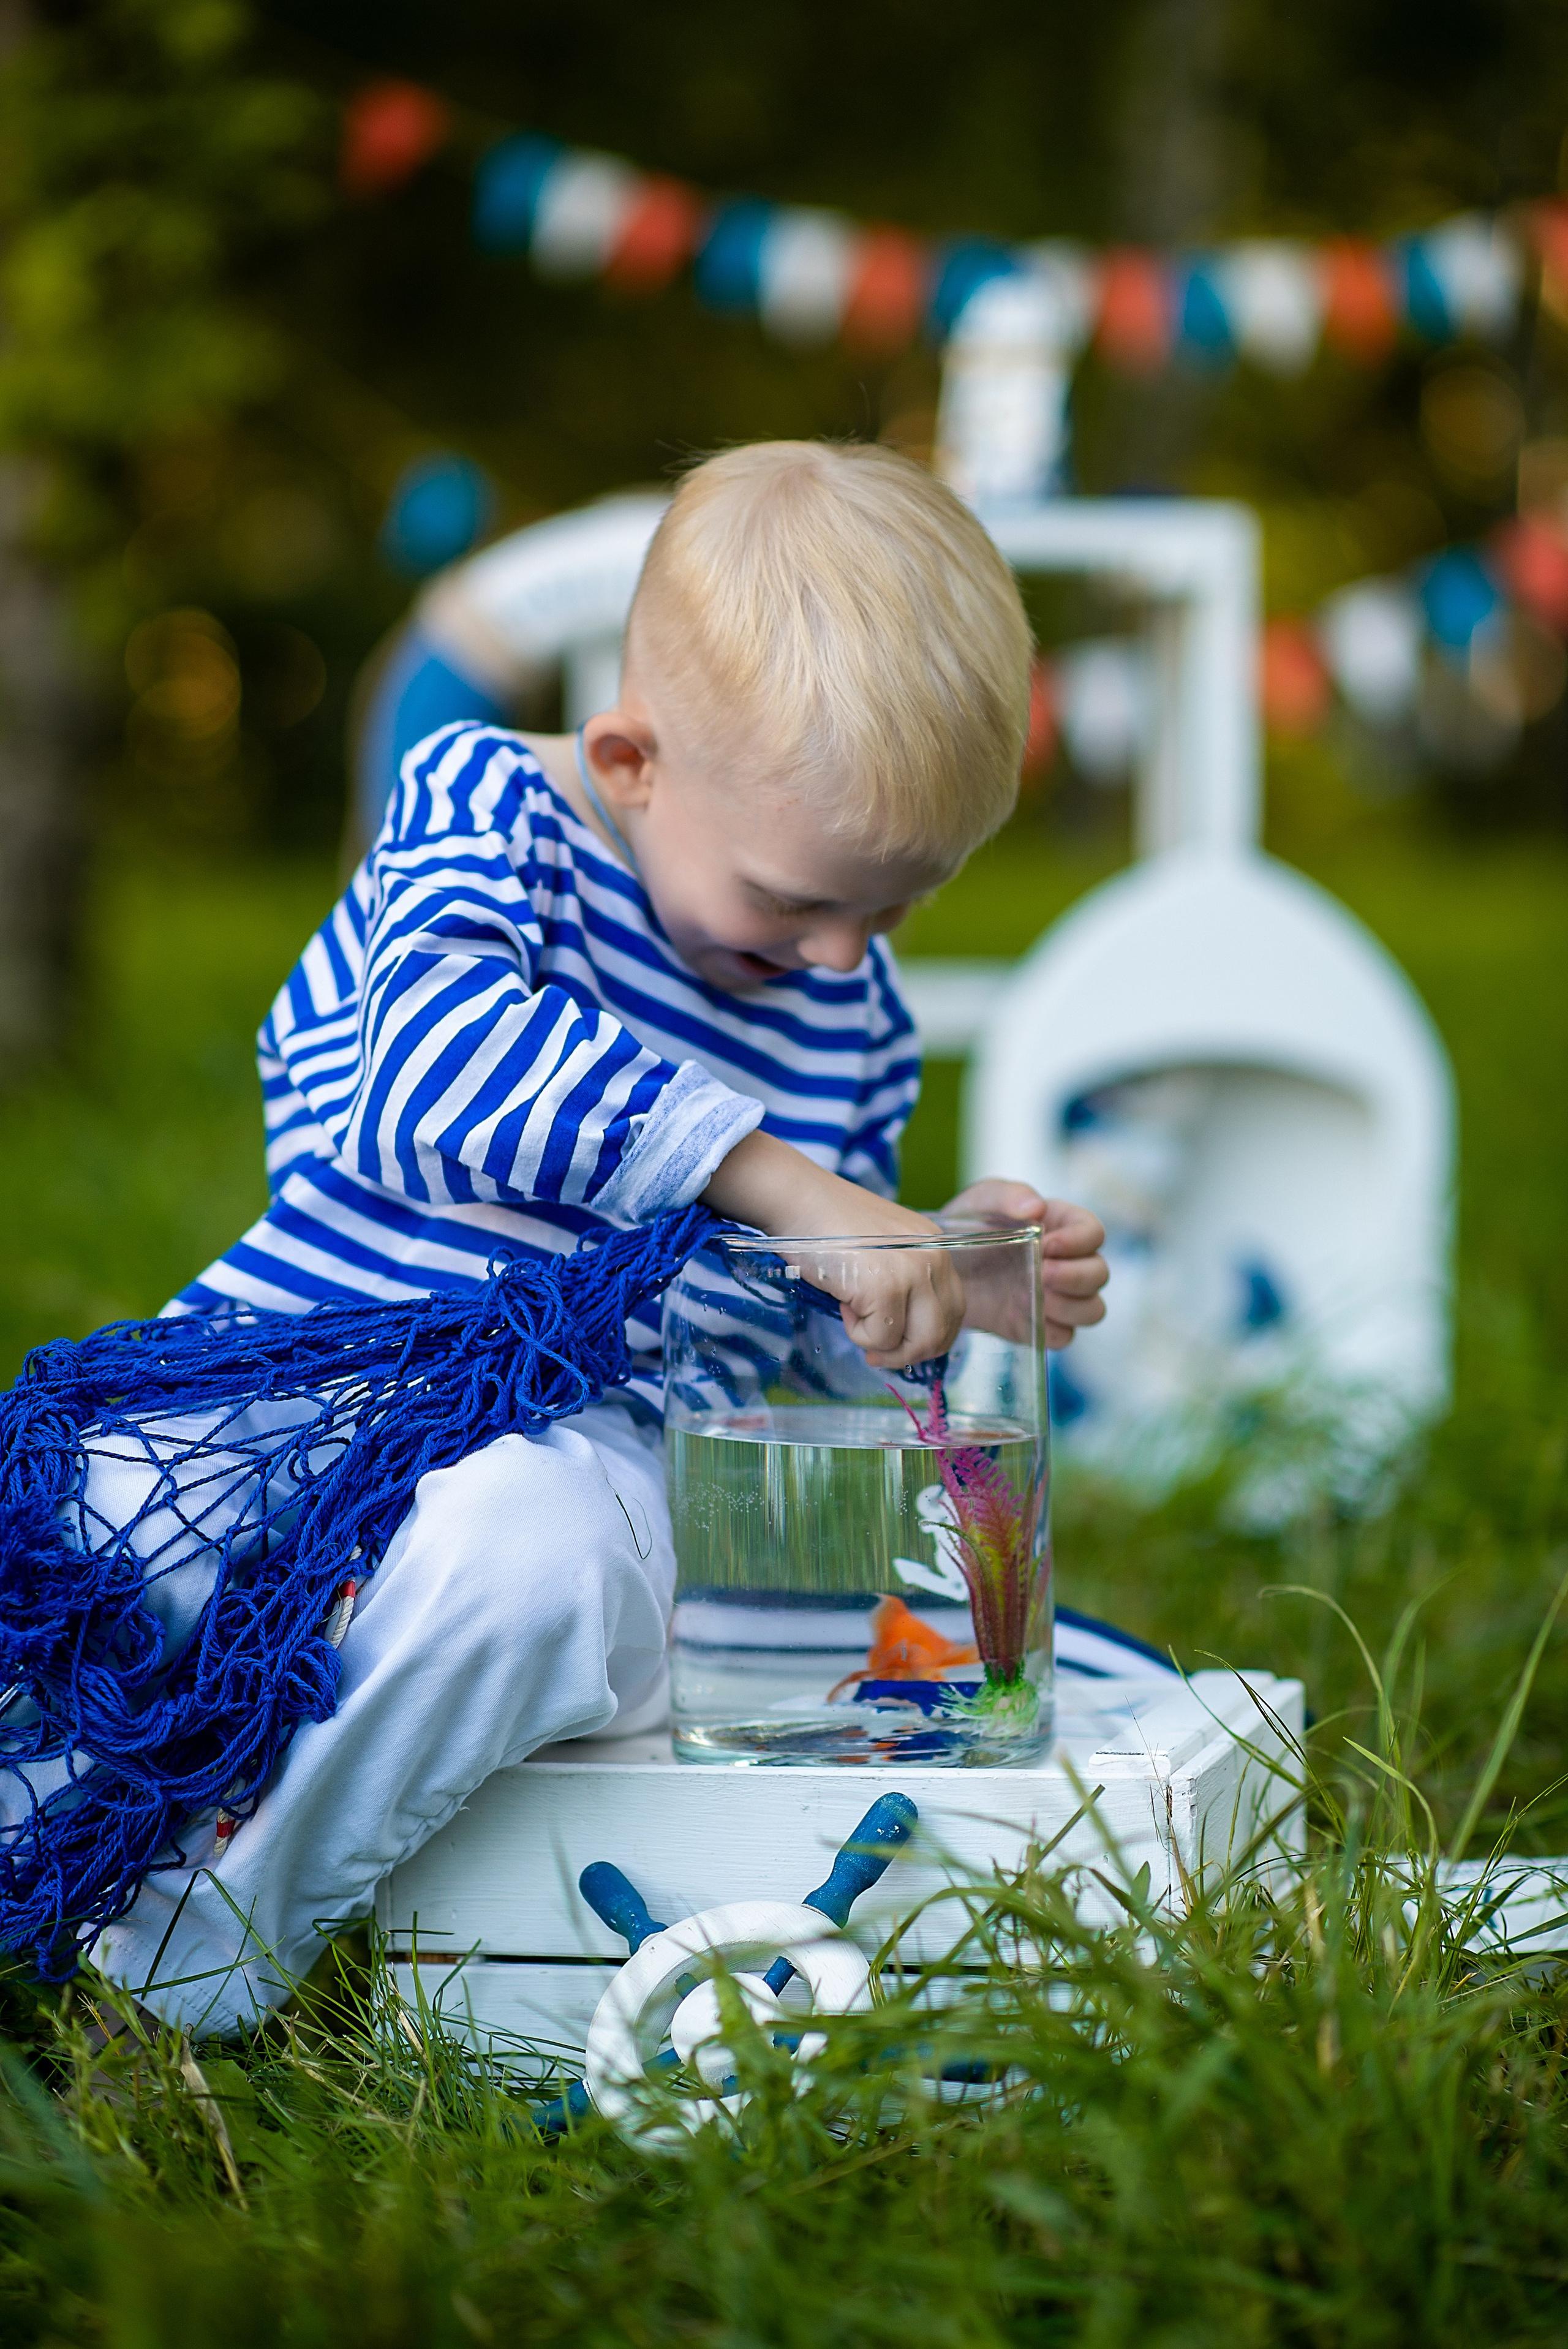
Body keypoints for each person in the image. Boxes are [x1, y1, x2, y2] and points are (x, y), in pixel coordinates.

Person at [80, 440, 1125, 2035]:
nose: (840, 955)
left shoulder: (850, 1009)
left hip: (610, 1460)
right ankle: (59, 1836)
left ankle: (197, 1951)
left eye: (894, 911)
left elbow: (796, 1330)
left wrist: (930, 1255)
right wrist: (777, 1176)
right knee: (88, 1518)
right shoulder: (493, 813)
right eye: (795, 901)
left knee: (522, 1557)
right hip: (303, 1371)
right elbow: (427, 1062)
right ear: (634, 760)